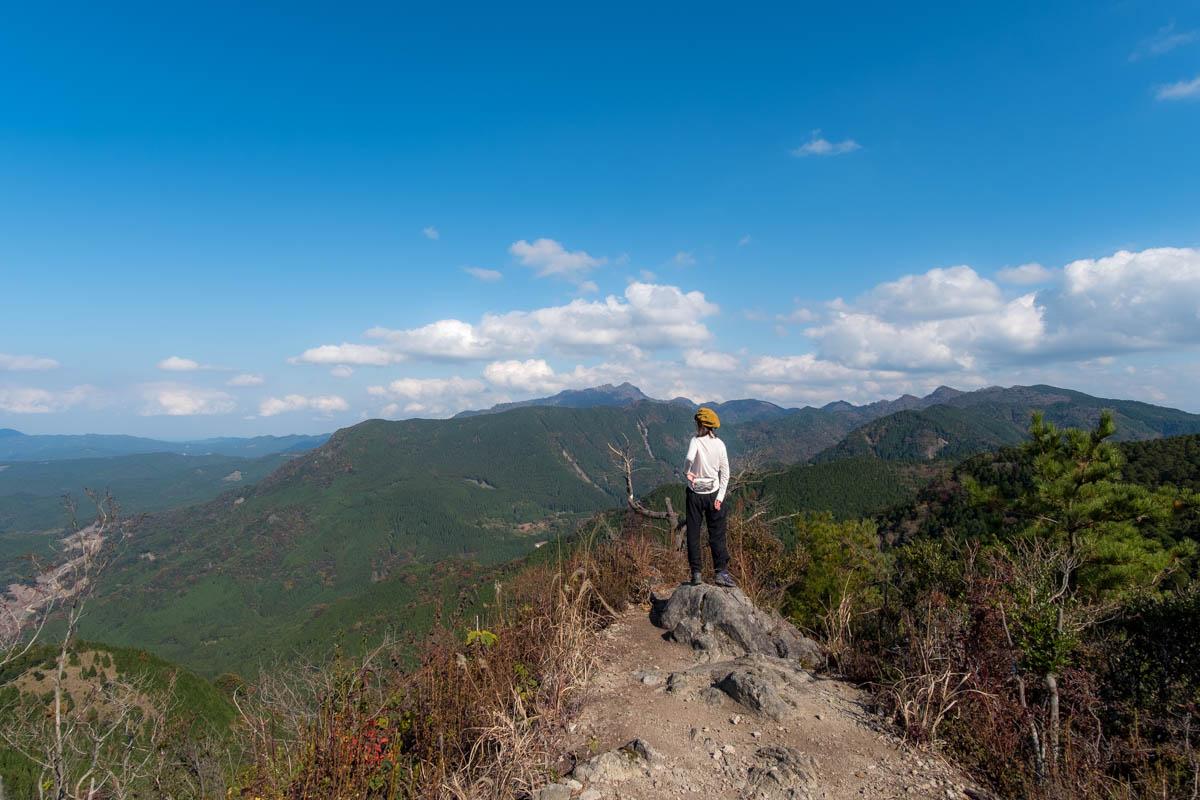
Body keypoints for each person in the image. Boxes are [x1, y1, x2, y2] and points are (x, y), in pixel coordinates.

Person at [684, 407, 733, 587]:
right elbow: (725, 472)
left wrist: (687, 472)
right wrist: (720, 497)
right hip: (713, 495)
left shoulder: (695, 441)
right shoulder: (720, 444)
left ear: (701, 425)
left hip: (695, 494)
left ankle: (696, 573)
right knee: (717, 535)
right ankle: (720, 572)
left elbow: (689, 458)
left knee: (694, 534)